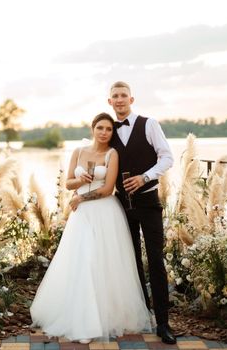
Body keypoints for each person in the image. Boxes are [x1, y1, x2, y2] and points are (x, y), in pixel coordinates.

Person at [30, 112, 151, 343]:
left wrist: (81, 198)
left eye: (108, 129)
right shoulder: (78, 151)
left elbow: (107, 189)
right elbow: (68, 183)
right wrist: (81, 181)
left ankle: (105, 317)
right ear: (93, 128)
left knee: (102, 262)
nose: (104, 132)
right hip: (81, 215)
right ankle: (80, 316)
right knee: (80, 261)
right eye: (100, 128)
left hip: (104, 212)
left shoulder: (111, 154)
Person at [107, 81, 177, 344]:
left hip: (148, 204)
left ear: (131, 99)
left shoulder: (149, 124)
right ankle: (142, 315)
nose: (120, 100)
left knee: (156, 262)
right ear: (110, 102)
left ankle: (163, 323)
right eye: (115, 96)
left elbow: (167, 157)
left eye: (124, 95)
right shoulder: (108, 131)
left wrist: (145, 177)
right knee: (132, 262)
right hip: (121, 206)